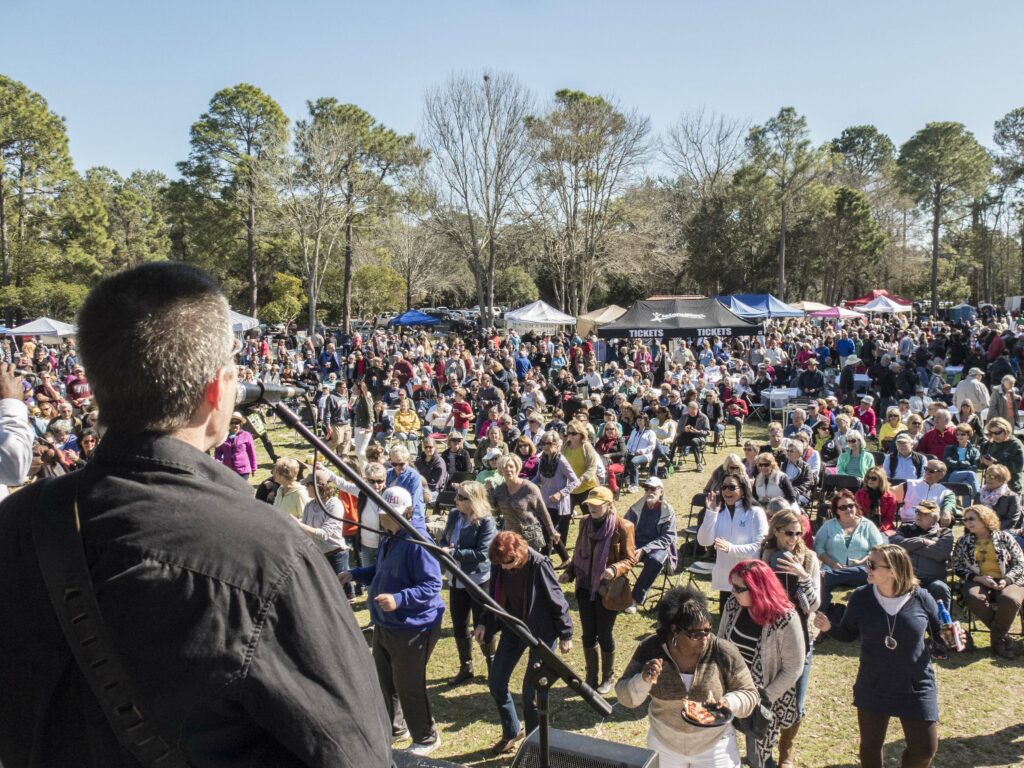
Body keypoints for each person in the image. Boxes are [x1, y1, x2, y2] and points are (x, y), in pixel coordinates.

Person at [0, 262, 391, 766]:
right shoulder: (266, 555)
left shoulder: (16, 525)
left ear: (94, 384)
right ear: (218, 388)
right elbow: (355, 752)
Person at [813, 545, 946, 768]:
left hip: (916, 683)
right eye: (868, 563)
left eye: (873, 565)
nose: (868, 568)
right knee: (870, 747)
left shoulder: (922, 598)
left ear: (894, 570)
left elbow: (939, 637)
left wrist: (951, 639)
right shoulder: (861, 597)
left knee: (925, 749)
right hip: (874, 682)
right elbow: (848, 634)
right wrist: (829, 627)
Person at [341, 485, 445, 756]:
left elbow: (432, 584)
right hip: (386, 624)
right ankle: (395, 728)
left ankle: (426, 736)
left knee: (409, 684)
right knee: (385, 681)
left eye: (391, 513)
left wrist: (399, 599)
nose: (385, 516)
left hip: (413, 627)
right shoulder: (390, 537)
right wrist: (355, 574)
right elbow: (382, 569)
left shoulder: (416, 542)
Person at [616, 586, 758, 768]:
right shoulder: (651, 648)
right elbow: (625, 697)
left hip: (715, 747)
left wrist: (729, 703)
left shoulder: (722, 650)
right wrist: (643, 680)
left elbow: (750, 694)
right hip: (664, 745)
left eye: (708, 630)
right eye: (696, 634)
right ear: (675, 629)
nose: (705, 638)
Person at [475, 531, 573, 756]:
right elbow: (493, 597)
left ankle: (535, 747)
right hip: (513, 627)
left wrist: (566, 634)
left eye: (509, 562)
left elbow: (557, 600)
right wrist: (483, 623)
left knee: (531, 694)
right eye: (500, 563)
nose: (505, 568)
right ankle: (512, 731)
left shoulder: (539, 564)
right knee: (496, 681)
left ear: (519, 552)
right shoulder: (499, 564)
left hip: (541, 633)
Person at [718, 561, 805, 768]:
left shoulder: (785, 618)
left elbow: (794, 668)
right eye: (732, 586)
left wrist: (761, 698)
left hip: (763, 697)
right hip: (730, 690)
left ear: (758, 589)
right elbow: (720, 642)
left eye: (739, 588)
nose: (733, 592)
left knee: (757, 755)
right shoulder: (733, 605)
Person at [559, 486, 636, 694]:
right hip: (585, 586)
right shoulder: (585, 523)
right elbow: (579, 553)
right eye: (589, 505)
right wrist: (570, 572)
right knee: (587, 635)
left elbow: (630, 559)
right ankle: (591, 676)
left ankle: (608, 677)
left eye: (596, 505)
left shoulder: (623, 526)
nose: (591, 508)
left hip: (607, 590)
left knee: (604, 634)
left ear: (609, 505)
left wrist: (614, 568)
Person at [760, 510, 820, 768]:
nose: (794, 539)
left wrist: (802, 576)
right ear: (776, 531)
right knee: (767, 696)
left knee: (796, 702)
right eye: (788, 533)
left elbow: (815, 605)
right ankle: (764, 748)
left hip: (801, 638)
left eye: (799, 533)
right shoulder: (764, 556)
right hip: (767, 638)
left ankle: (787, 748)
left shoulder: (809, 559)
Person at [441, 480, 497, 685]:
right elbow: (444, 540)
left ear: (473, 500)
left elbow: (483, 554)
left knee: (482, 623)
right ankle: (466, 666)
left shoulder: (486, 521)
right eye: (456, 495)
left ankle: (493, 666)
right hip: (455, 578)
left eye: (461, 497)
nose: (455, 500)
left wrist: (454, 552)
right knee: (459, 623)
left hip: (477, 580)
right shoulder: (454, 515)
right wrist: (444, 547)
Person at [952, 504, 1024, 659]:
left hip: (1009, 579)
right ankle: (1001, 640)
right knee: (974, 598)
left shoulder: (1005, 537)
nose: (967, 522)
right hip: (978, 580)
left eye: (972, 519)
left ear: (985, 519)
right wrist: (978, 578)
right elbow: (957, 566)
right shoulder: (963, 542)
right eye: (965, 520)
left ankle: (997, 638)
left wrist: (1006, 580)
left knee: (1010, 599)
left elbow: (1020, 563)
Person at [697, 474, 769, 603]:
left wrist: (730, 548)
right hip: (726, 581)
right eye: (724, 487)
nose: (726, 491)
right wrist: (710, 513)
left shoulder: (756, 512)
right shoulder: (718, 514)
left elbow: (758, 546)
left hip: (749, 581)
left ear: (742, 490)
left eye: (731, 487)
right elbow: (704, 541)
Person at [815, 490, 885, 615]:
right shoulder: (828, 526)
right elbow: (818, 547)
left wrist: (863, 561)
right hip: (832, 568)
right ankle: (822, 619)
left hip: (860, 570)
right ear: (836, 510)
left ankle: (832, 577)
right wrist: (831, 563)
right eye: (842, 507)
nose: (848, 510)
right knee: (823, 580)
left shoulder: (868, 526)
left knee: (827, 577)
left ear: (855, 506)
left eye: (850, 506)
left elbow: (879, 549)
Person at [490, 453, 561, 557]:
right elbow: (495, 511)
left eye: (511, 466)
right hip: (510, 536)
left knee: (529, 564)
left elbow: (542, 511)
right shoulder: (499, 490)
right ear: (500, 470)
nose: (508, 469)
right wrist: (490, 492)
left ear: (517, 468)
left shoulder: (529, 488)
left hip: (530, 536)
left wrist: (552, 531)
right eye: (505, 467)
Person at [624, 477, 678, 610]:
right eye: (646, 488)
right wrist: (629, 546)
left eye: (653, 489)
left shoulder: (668, 511)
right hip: (636, 544)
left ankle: (635, 599)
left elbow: (668, 537)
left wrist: (645, 549)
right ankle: (615, 592)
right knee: (617, 553)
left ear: (661, 491)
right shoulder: (636, 507)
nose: (649, 492)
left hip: (658, 547)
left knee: (655, 560)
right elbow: (625, 527)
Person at [888, 500, 953, 608]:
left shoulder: (945, 532)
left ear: (935, 517)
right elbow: (894, 545)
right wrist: (922, 541)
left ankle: (943, 623)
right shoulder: (905, 528)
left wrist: (909, 547)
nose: (919, 515)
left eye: (924, 513)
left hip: (931, 579)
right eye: (918, 512)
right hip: (906, 577)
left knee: (940, 588)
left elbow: (941, 553)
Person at [296, 470, 349, 576]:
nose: (306, 488)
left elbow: (324, 534)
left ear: (317, 486)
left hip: (336, 555)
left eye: (308, 484)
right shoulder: (309, 505)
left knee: (341, 590)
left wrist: (298, 524)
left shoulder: (334, 505)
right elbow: (304, 533)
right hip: (318, 555)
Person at [534, 430, 580, 546]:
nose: (545, 446)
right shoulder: (542, 459)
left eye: (548, 443)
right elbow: (538, 478)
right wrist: (525, 484)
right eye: (543, 443)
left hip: (557, 504)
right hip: (545, 501)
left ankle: (545, 561)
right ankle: (565, 559)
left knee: (548, 533)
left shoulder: (561, 461)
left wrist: (561, 493)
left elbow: (575, 481)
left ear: (556, 444)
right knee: (549, 532)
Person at [893, 459, 955, 525]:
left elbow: (950, 503)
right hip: (910, 523)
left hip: (932, 526)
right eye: (926, 469)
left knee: (951, 519)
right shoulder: (909, 484)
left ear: (941, 475)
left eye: (931, 471)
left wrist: (946, 511)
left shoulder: (945, 492)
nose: (927, 472)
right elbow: (889, 495)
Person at [979, 417, 1024, 494]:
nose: (994, 435)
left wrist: (995, 463)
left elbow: (1019, 467)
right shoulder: (988, 444)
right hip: (991, 487)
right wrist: (982, 462)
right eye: (991, 433)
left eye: (997, 432)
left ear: (1006, 430)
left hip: (1011, 487)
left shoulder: (1015, 444)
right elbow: (979, 466)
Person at [978, 463, 1023, 530]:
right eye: (987, 475)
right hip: (980, 531)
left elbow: (1011, 521)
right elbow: (973, 516)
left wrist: (991, 529)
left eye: (992, 477)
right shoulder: (980, 494)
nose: (988, 479)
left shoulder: (1012, 497)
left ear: (1002, 480)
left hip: (1003, 532)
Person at [855, 466, 898, 537]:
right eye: (868, 478)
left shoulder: (890, 497)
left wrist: (879, 529)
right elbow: (857, 515)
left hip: (883, 529)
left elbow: (889, 518)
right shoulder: (859, 494)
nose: (870, 480)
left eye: (873, 478)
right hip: (862, 527)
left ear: (881, 480)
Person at [214, 411, 258, 478]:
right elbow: (218, 451)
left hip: (243, 470)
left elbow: (251, 452)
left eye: (236, 422)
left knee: (241, 488)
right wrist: (218, 461)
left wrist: (253, 468)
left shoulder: (246, 435)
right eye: (232, 422)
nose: (234, 425)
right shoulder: (223, 436)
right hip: (228, 470)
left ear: (240, 424)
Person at [943, 423, 981, 499]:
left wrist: (957, 464)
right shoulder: (949, 449)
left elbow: (974, 467)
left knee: (966, 484)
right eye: (958, 434)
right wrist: (962, 463)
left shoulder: (975, 451)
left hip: (967, 477)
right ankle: (978, 499)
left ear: (968, 436)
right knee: (970, 474)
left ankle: (966, 508)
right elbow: (948, 463)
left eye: (963, 434)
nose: (959, 436)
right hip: (952, 475)